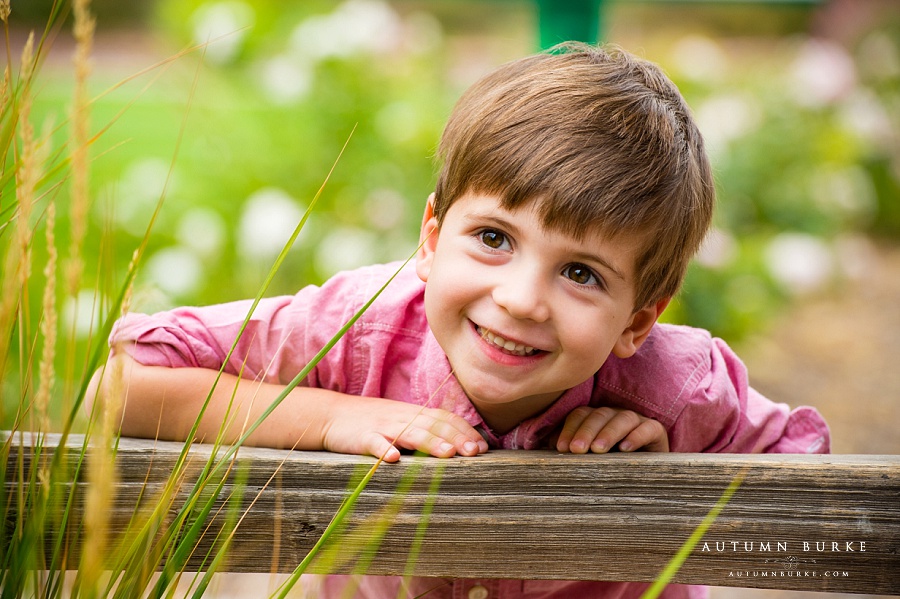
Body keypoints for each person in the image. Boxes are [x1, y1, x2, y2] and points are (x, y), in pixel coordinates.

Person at [88, 43, 829, 599]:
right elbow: (120, 385)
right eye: (495, 239)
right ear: (431, 239)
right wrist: (328, 416)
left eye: (580, 273)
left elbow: (819, 507)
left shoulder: (675, 385)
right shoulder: (356, 326)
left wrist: (676, 466)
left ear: (637, 320)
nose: (520, 298)